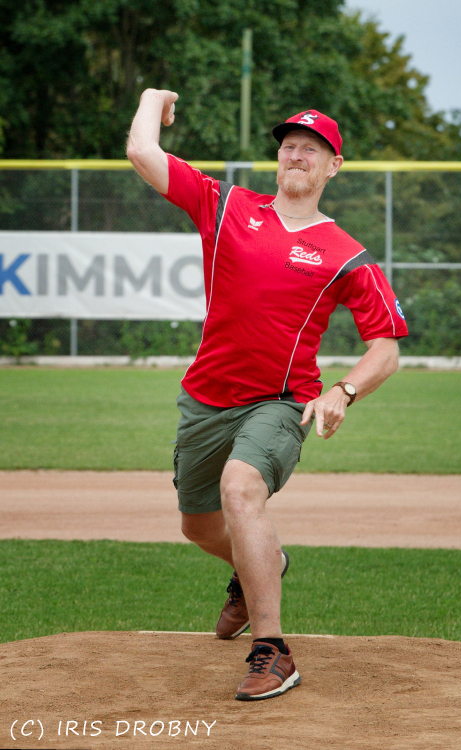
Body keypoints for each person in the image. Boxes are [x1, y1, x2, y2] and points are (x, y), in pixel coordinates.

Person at [127, 90, 408, 702]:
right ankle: (258, 565)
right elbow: (143, 152)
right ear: (278, 159)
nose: (298, 154)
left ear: (333, 166)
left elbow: (385, 349)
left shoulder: (347, 254)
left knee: (240, 489)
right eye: (290, 146)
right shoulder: (227, 206)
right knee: (197, 526)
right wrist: (153, 99)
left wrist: (344, 389)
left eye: (313, 148)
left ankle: (273, 651)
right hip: (205, 398)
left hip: (280, 401)